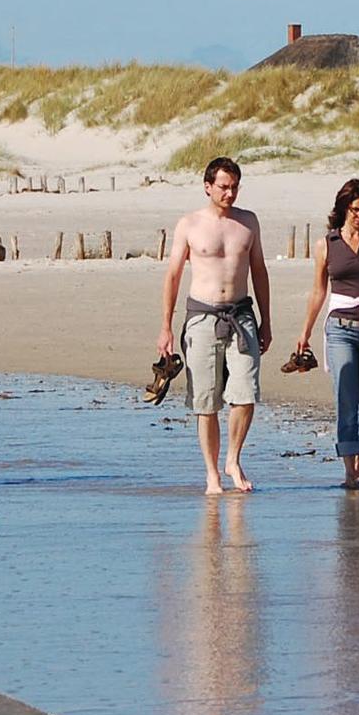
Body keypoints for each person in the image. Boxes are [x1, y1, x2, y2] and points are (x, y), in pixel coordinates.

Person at [157, 156, 272, 494]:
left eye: (234, 187)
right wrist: (166, 326)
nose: (229, 193)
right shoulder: (189, 224)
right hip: (202, 317)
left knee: (246, 393)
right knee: (205, 400)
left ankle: (233, 459)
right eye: (223, 186)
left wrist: (266, 321)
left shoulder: (248, 222)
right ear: (208, 187)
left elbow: (259, 271)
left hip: (241, 314)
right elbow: (173, 275)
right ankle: (211, 473)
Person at [295, 178, 359, 487]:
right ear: (343, 208)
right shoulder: (327, 244)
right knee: (346, 395)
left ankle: (357, 448)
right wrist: (305, 332)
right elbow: (318, 291)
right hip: (339, 327)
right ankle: (350, 468)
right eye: (355, 210)